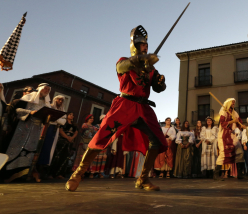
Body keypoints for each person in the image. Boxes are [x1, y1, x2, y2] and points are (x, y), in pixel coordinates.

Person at [66, 25, 167, 192]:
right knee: (102, 136)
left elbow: (158, 88)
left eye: (146, 45)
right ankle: (77, 173)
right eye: (142, 45)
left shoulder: (151, 68)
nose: (146, 47)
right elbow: (121, 67)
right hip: (124, 105)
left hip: (143, 108)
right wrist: (142, 61)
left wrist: (160, 82)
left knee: (158, 141)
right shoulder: (124, 61)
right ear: (134, 47)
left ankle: (143, 179)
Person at [3, 83, 51, 183]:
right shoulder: (28, 97)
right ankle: (9, 173)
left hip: (36, 130)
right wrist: (30, 112)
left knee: (31, 151)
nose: (46, 90)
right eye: (45, 88)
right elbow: (16, 109)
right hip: (23, 127)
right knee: (17, 149)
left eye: (48, 89)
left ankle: (25, 174)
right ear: (40, 89)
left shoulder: (46, 103)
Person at [214, 98, 246, 181]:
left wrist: (241, 126)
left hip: (232, 136)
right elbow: (222, 123)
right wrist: (232, 121)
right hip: (224, 135)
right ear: (228, 103)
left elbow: (239, 122)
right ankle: (216, 174)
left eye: (234, 102)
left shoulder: (235, 113)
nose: (234, 103)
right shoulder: (223, 112)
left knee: (240, 152)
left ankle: (239, 174)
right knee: (223, 154)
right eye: (232, 102)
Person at [38, 95, 66, 179]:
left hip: (55, 130)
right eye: (59, 99)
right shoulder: (49, 107)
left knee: (50, 150)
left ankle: (44, 170)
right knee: (43, 147)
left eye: (62, 100)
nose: (60, 101)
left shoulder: (62, 111)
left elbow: (63, 122)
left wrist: (55, 119)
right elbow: (47, 118)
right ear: (55, 100)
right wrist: (57, 119)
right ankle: (38, 168)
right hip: (47, 128)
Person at [50, 111, 78, 179]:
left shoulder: (74, 125)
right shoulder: (63, 122)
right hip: (62, 141)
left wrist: (71, 138)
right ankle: (51, 173)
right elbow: (61, 130)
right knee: (57, 156)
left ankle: (60, 174)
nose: (71, 116)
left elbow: (76, 132)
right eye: (70, 114)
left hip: (69, 143)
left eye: (73, 115)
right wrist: (67, 137)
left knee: (65, 158)